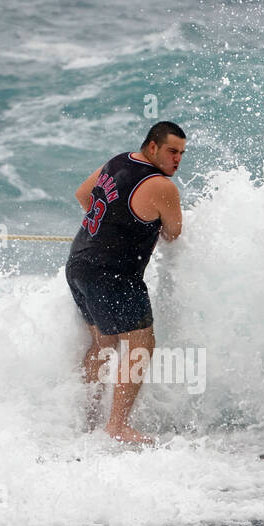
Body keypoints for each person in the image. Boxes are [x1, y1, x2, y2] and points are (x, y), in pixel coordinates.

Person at [66, 121, 185, 444]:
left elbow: (83, 195)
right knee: (141, 344)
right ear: (152, 148)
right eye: (172, 151)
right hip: (114, 276)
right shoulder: (163, 186)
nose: (177, 159)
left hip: (79, 264)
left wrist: (114, 226)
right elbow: (173, 233)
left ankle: (88, 420)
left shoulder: (119, 161)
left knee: (103, 343)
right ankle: (117, 427)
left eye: (182, 154)